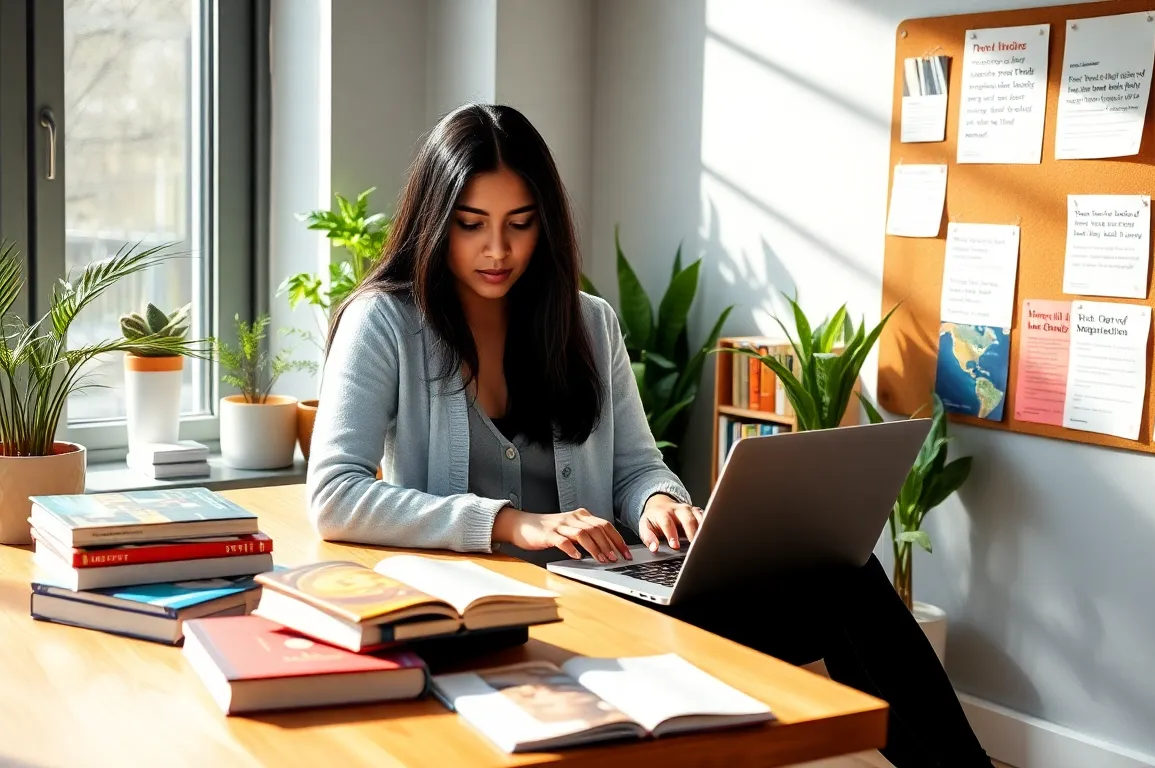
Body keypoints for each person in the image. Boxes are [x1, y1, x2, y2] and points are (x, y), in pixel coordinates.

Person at [306, 103, 990, 768]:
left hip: (610, 593)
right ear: (434, 221)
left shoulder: (588, 323)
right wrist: (515, 524)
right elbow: (335, 494)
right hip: (484, 618)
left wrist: (660, 503)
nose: (498, 249)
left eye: (520, 223)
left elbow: (637, 467)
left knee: (845, 575)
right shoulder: (385, 324)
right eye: (471, 225)